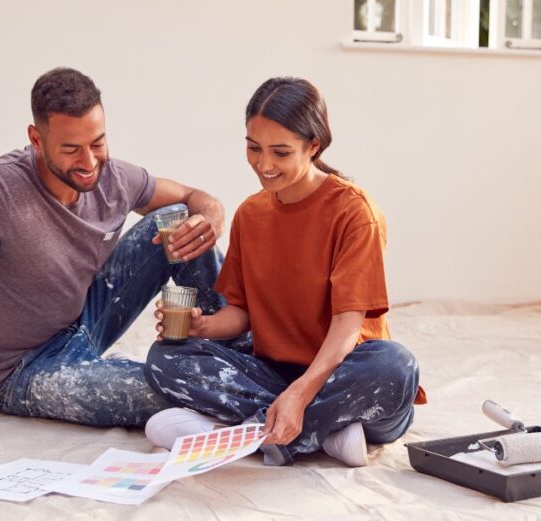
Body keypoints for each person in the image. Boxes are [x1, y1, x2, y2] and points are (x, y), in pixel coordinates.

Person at [0, 67, 232, 459]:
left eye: (98, 142)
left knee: (176, 217)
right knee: (168, 386)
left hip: (86, 322)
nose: (89, 161)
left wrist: (210, 216)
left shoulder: (114, 176)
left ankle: (249, 354)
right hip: (24, 369)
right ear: (36, 139)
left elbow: (195, 196)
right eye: (71, 149)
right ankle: (246, 388)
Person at [142, 77, 426, 467]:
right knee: (164, 357)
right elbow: (241, 314)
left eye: (280, 152)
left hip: (347, 380)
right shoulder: (252, 213)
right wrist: (201, 327)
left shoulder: (355, 214)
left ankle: (248, 433)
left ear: (313, 146)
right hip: (276, 375)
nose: (264, 164)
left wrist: (303, 393)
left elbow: (348, 324)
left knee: (397, 366)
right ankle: (322, 433)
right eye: (253, 147)